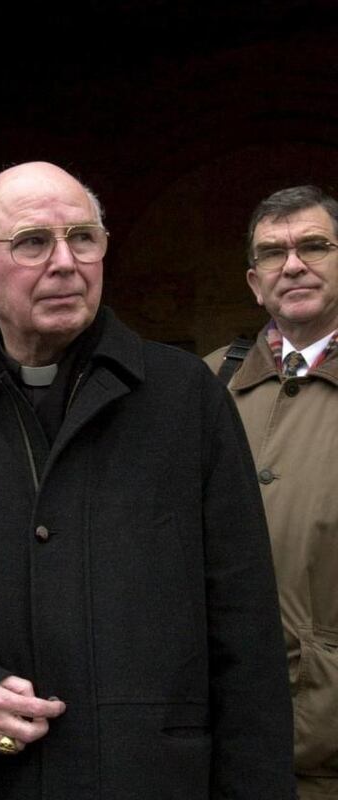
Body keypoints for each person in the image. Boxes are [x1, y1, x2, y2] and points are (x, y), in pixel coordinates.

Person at [0, 161, 294, 799]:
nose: (65, 262)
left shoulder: (187, 403)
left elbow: (245, 629)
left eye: (84, 238)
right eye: (33, 242)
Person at [205, 184, 338, 800]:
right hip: (221, 741)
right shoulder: (205, 384)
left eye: (314, 246)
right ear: (254, 282)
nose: (293, 264)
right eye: (272, 252)